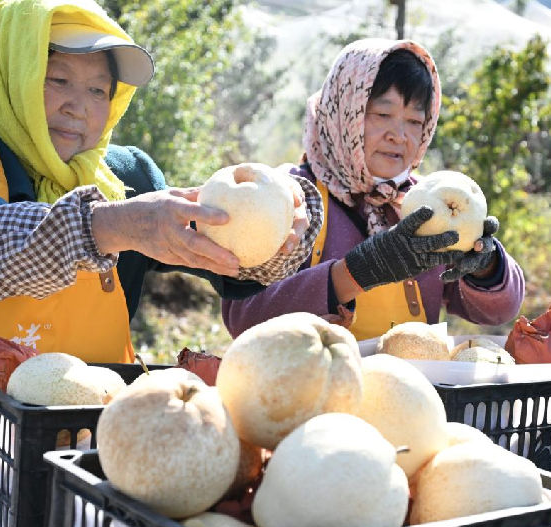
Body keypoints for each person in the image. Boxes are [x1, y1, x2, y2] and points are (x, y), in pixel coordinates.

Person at [0, 0, 319, 480]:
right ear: (10, 72)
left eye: (98, 90)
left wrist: (281, 222)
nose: (77, 105)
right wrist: (107, 226)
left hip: (66, 481)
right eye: (57, 80)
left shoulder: (126, 179)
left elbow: (233, 258)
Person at [222, 38, 524, 341]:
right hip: (311, 370)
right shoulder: (287, 197)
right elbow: (244, 316)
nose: (400, 135)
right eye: (382, 114)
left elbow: (499, 311)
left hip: (410, 371)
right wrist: (358, 271)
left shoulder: (429, 201)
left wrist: (486, 266)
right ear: (343, 112)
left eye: (415, 121)